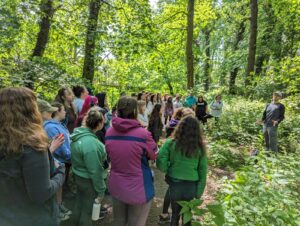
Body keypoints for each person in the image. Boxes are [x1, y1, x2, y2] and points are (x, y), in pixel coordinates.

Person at [0, 87, 65, 226]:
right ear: (30, 111)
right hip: (34, 218)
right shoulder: (33, 146)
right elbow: (41, 194)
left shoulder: (5, 141)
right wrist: (60, 173)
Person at [105, 97, 157, 226]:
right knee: (136, 222)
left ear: (118, 110)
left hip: (116, 184)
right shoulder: (143, 134)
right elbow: (154, 154)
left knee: (119, 221)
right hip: (139, 186)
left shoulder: (109, 131)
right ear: (135, 112)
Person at [157, 116, 208, 226]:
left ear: (180, 127)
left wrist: (167, 169)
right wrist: (198, 193)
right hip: (191, 186)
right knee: (187, 215)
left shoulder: (171, 143)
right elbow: (203, 172)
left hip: (175, 184)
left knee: (175, 214)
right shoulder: (200, 148)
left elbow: (161, 160)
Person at [70, 109, 107, 226]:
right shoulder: (91, 144)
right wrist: (101, 190)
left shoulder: (78, 135)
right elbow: (95, 170)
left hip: (78, 176)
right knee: (87, 211)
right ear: (99, 123)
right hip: (88, 181)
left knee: (79, 204)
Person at [38, 100, 72, 219]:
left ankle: (58, 207)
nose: (50, 114)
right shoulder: (49, 127)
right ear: (40, 113)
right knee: (55, 186)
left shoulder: (52, 125)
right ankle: (56, 211)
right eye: (48, 112)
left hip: (56, 162)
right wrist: (52, 149)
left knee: (58, 186)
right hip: (54, 163)